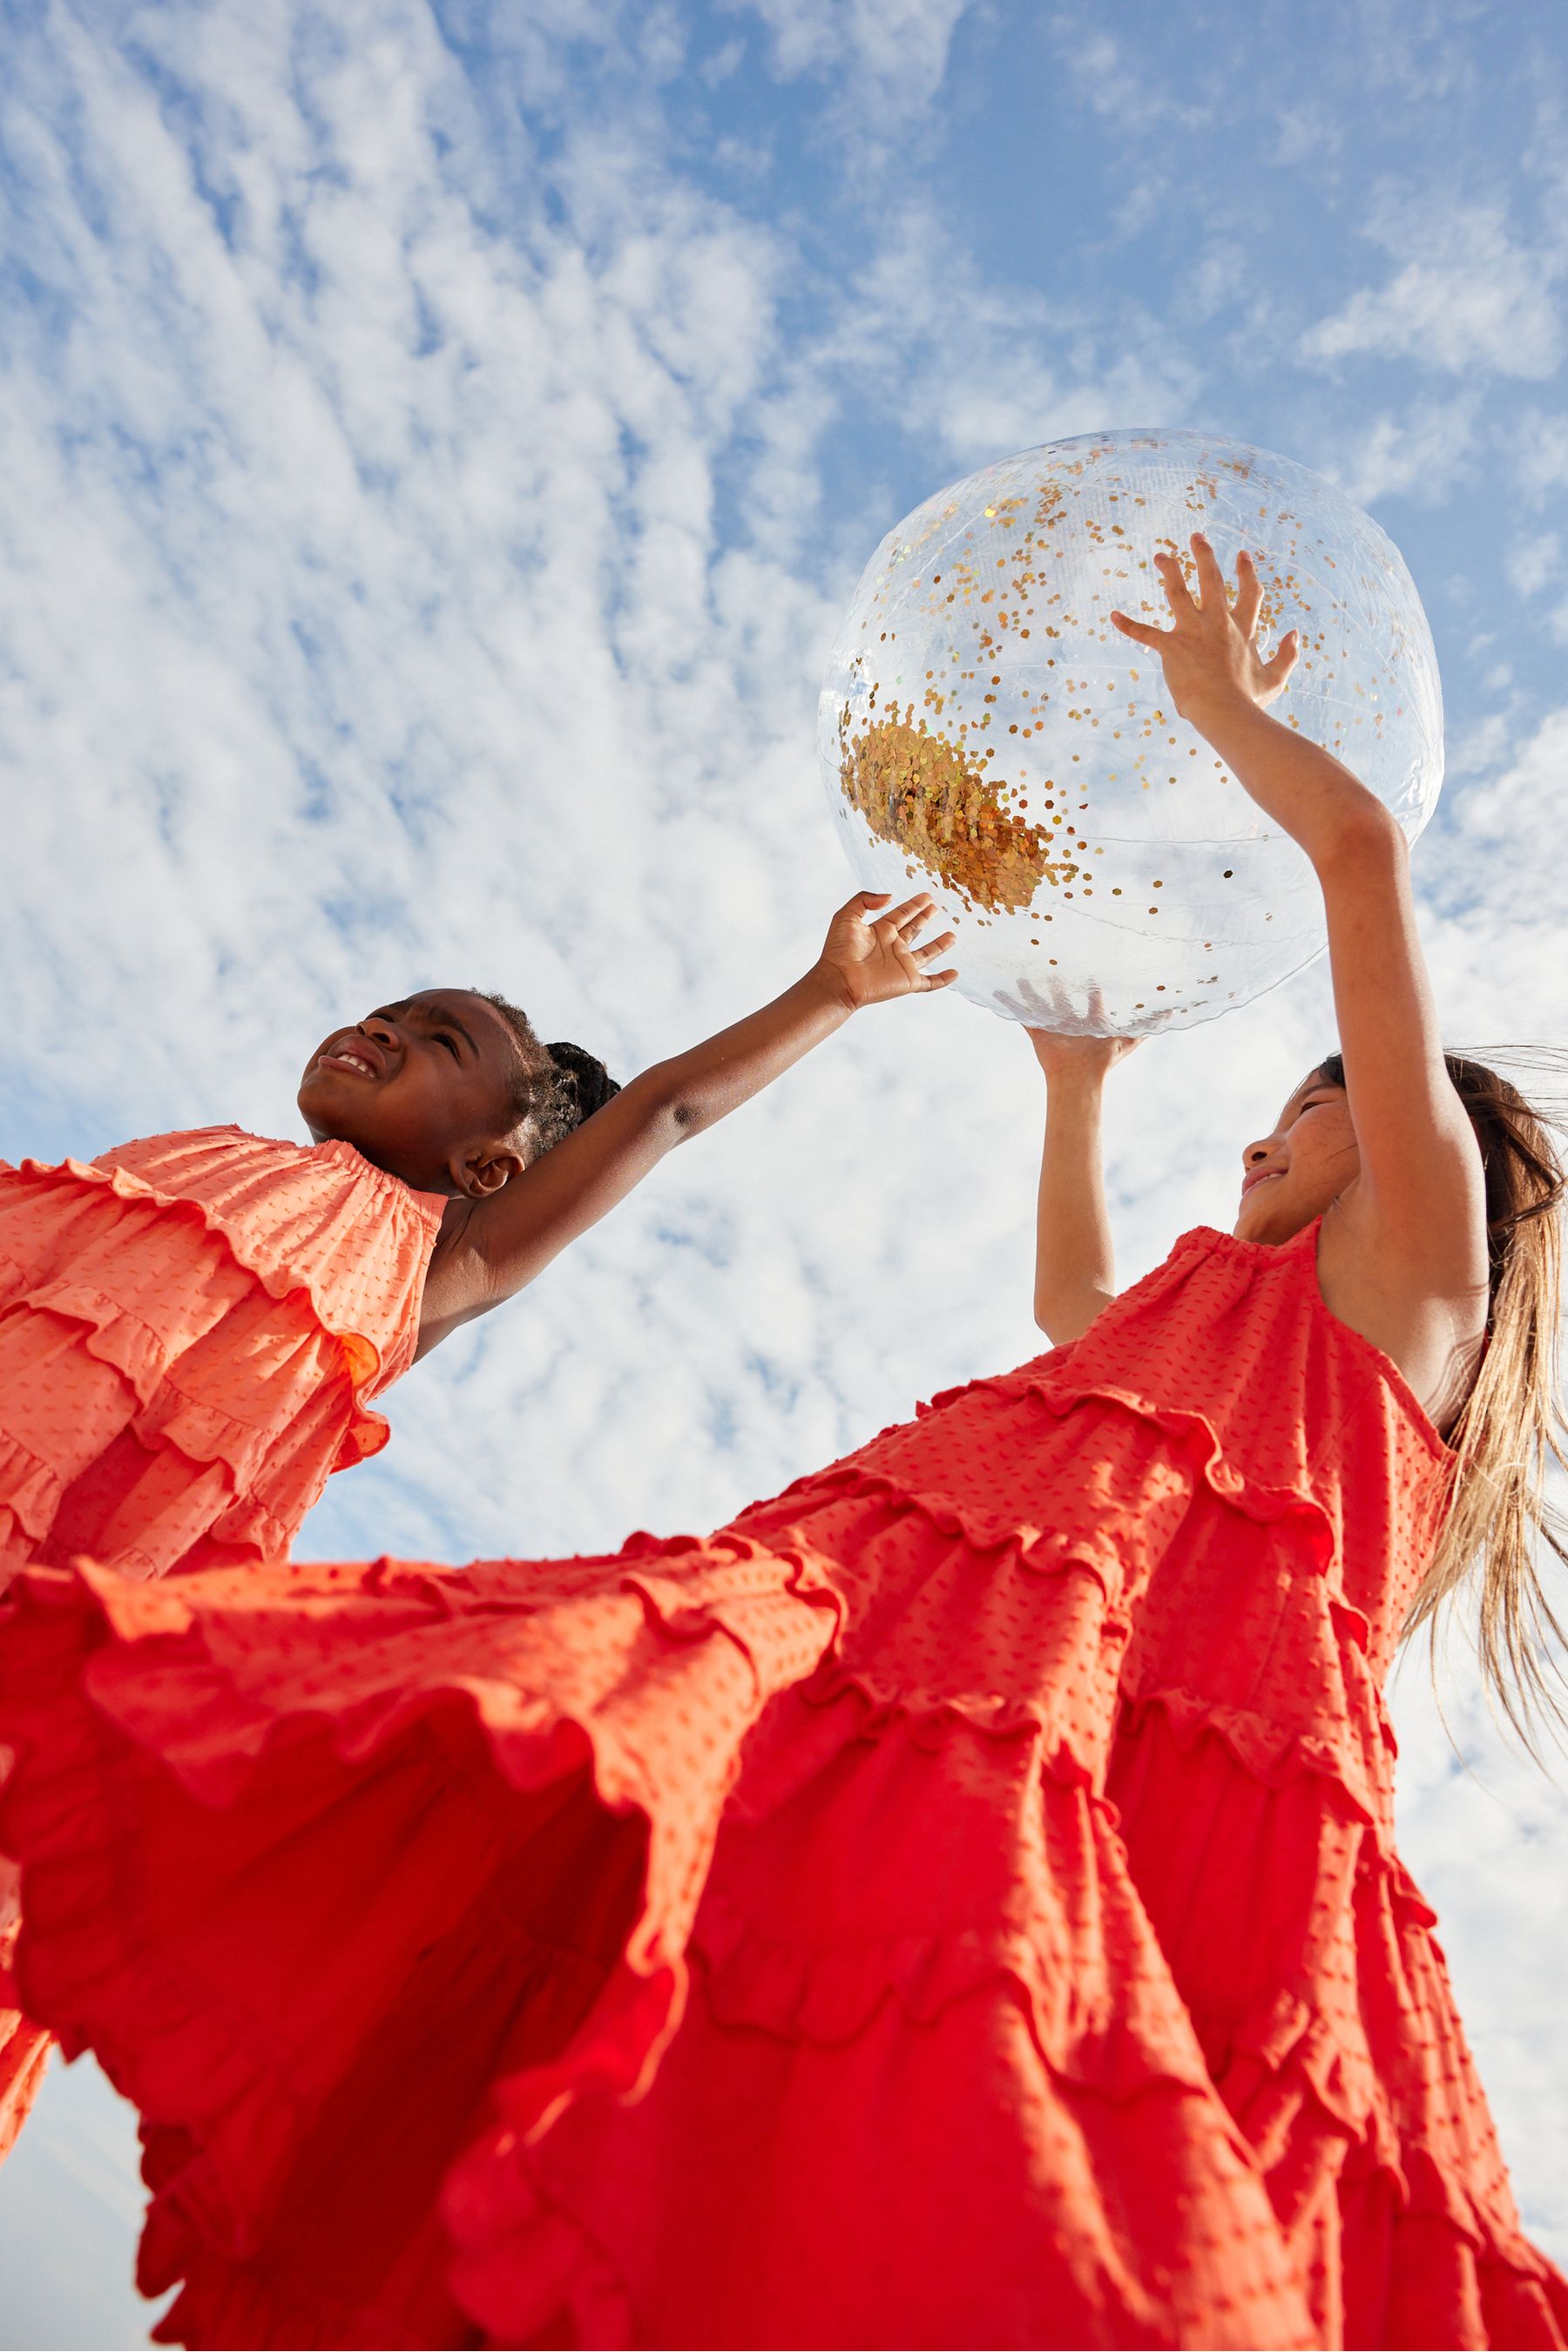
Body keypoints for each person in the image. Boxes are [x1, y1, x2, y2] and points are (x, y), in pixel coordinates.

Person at [0, 537, 1562, 2349]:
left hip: (1105, 1709)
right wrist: (1075, 1090)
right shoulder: (1213, 1306)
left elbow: (1362, 859)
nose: (1268, 1135)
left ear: (1397, 1129)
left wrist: (1220, 708)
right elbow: (1074, 1303)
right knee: (713, 1956)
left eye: (1311, 1104)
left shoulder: (1412, 1291)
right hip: (918, 1639)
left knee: (1027, 2052)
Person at [0, 889, 955, 2161]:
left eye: (440, 1041)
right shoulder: (189, 1152)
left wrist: (831, 990)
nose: (382, 1030)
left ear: (490, 1167)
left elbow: (662, 1109)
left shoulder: (424, 1270)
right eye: (388, 1013)